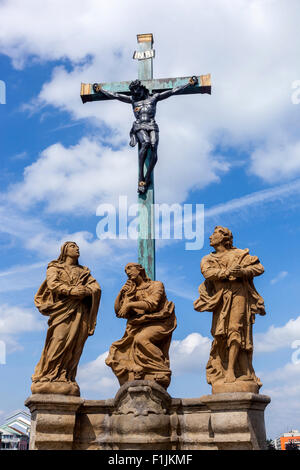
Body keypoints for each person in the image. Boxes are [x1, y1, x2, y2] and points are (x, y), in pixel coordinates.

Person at [93, 76, 198, 194]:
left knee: (153, 146)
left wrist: (189, 84)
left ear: (142, 89)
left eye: (137, 91)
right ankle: (141, 178)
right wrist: (100, 90)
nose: (135, 94)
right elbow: (116, 95)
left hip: (152, 124)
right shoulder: (133, 100)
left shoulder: (154, 98)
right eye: (133, 92)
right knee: (146, 142)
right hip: (139, 125)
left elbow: (172, 91)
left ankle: (147, 178)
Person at [193, 226, 266, 392]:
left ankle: (231, 371)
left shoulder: (239, 254)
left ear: (224, 238)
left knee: (235, 329)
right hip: (220, 299)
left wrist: (243, 271)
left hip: (239, 294)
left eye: (214, 234)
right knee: (220, 335)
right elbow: (208, 273)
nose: (210, 237)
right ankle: (224, 368)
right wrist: (226, 272)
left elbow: (259, 268)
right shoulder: (207, 259)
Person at [31, 241, 101, 396]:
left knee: (76, 345)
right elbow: (53, 284)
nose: (77, 248)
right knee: (59, 340)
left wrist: (86, 291)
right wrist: (71, 291)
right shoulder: (54, 267)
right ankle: (49, 375)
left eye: (77, 247)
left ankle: (66, 376)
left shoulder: (84, 271)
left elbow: (96, 288)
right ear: (64, 250)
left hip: (80, 311)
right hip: (62, 310)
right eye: (72, 246)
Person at [105, 263, 176, 389]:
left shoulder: (156, 285)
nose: (127, 272)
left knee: (141, 339)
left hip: (160, 322)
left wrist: (131, 305)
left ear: (140, 270)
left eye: (130, 268)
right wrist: (122, 293)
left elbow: (152, 304)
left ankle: (160, 370)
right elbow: (119, 312)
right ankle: (139, 371)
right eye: (125, 270)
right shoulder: (132, 290)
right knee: (118, 347)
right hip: (138, 324)